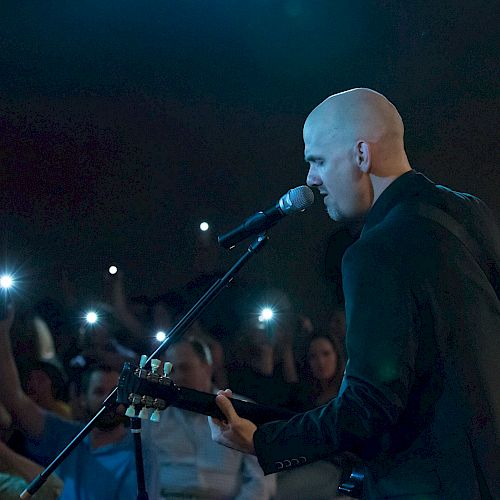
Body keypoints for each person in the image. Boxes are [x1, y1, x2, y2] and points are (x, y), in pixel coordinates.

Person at [208, 88, 500, 499]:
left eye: (318, 161)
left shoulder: (375, 251)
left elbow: (369, 405)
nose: (310, 180)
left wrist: (263, 442)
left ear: (362, 155)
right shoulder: (471, 212)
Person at [0, 306, 158, 500]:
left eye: (115, 393)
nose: (109, 399)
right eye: (99, 392)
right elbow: (15, 400)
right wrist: (2, 331)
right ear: (83, 399)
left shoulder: (139, 452)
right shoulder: (67, 435)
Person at [148, 337, 270, 499]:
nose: (177, 377)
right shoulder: (153, 415)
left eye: (185, 368)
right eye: (171, 371)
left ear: (207, 367)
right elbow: (143, 473)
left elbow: (260, 479)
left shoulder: (241, 409)